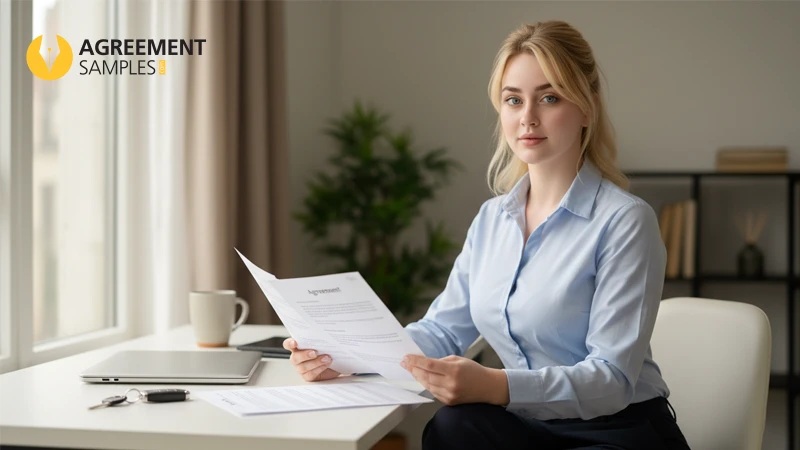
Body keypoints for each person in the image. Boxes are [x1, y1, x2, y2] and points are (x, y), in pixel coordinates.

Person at [283, 20, 691, 450]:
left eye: (549, 97)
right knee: (451, 427)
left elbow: (610, 380)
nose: (528, 117)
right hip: (530, 426)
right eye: (513, 100)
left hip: (618, 429)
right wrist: (346, 359)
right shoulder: (492, 220)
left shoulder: (625, 221)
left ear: (587, 107)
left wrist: (496, 386)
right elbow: (442, 332)